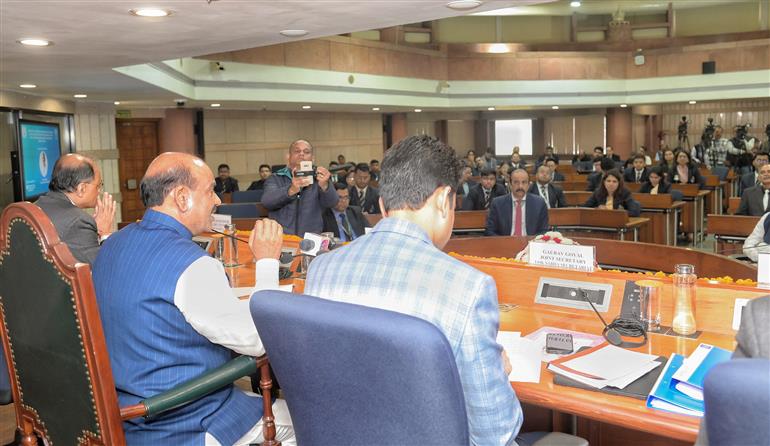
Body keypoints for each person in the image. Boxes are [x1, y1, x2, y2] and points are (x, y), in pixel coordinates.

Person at [304, 135, 523, 445]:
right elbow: (495, 433)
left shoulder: (321, 269)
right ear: (444, 200)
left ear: (381, 205)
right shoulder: (469, 287)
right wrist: (494, 373)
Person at [91, 152, 295, 445]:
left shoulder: (112, 244)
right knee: (310, 418)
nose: (217, 200)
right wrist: (266, 263)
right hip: (183, 420)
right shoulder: (191, 264)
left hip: (122, 414)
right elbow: (258, 339)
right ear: (182, 197)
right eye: (210, 190)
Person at [35, 153, 116, 264]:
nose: (100, 191)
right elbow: (104, 268)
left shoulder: (36, 205)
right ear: (81, 188)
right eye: (98, 185)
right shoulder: (79, 221)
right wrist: (104, 234)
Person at [262, 139, 339, 235]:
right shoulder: (276, 177)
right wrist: (291, 190)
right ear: (288, 157)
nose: (302, 154)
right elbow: (267, 202)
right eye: (297, 151)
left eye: (306, 152)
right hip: (283, 238)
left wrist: (325, 185)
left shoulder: (319, 177)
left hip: (311, 239)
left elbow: (332, 203)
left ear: (312, 159)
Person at [486, 169, 549, 236]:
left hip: (530, 243)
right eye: (516, 182)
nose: (520, 186)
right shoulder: (497, 203)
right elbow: (490, 231)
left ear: (528, 185)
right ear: (510, 184)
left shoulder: (539, 203)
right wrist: (503, 243)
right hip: (505, 243)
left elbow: (543, 230)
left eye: (524, 182)